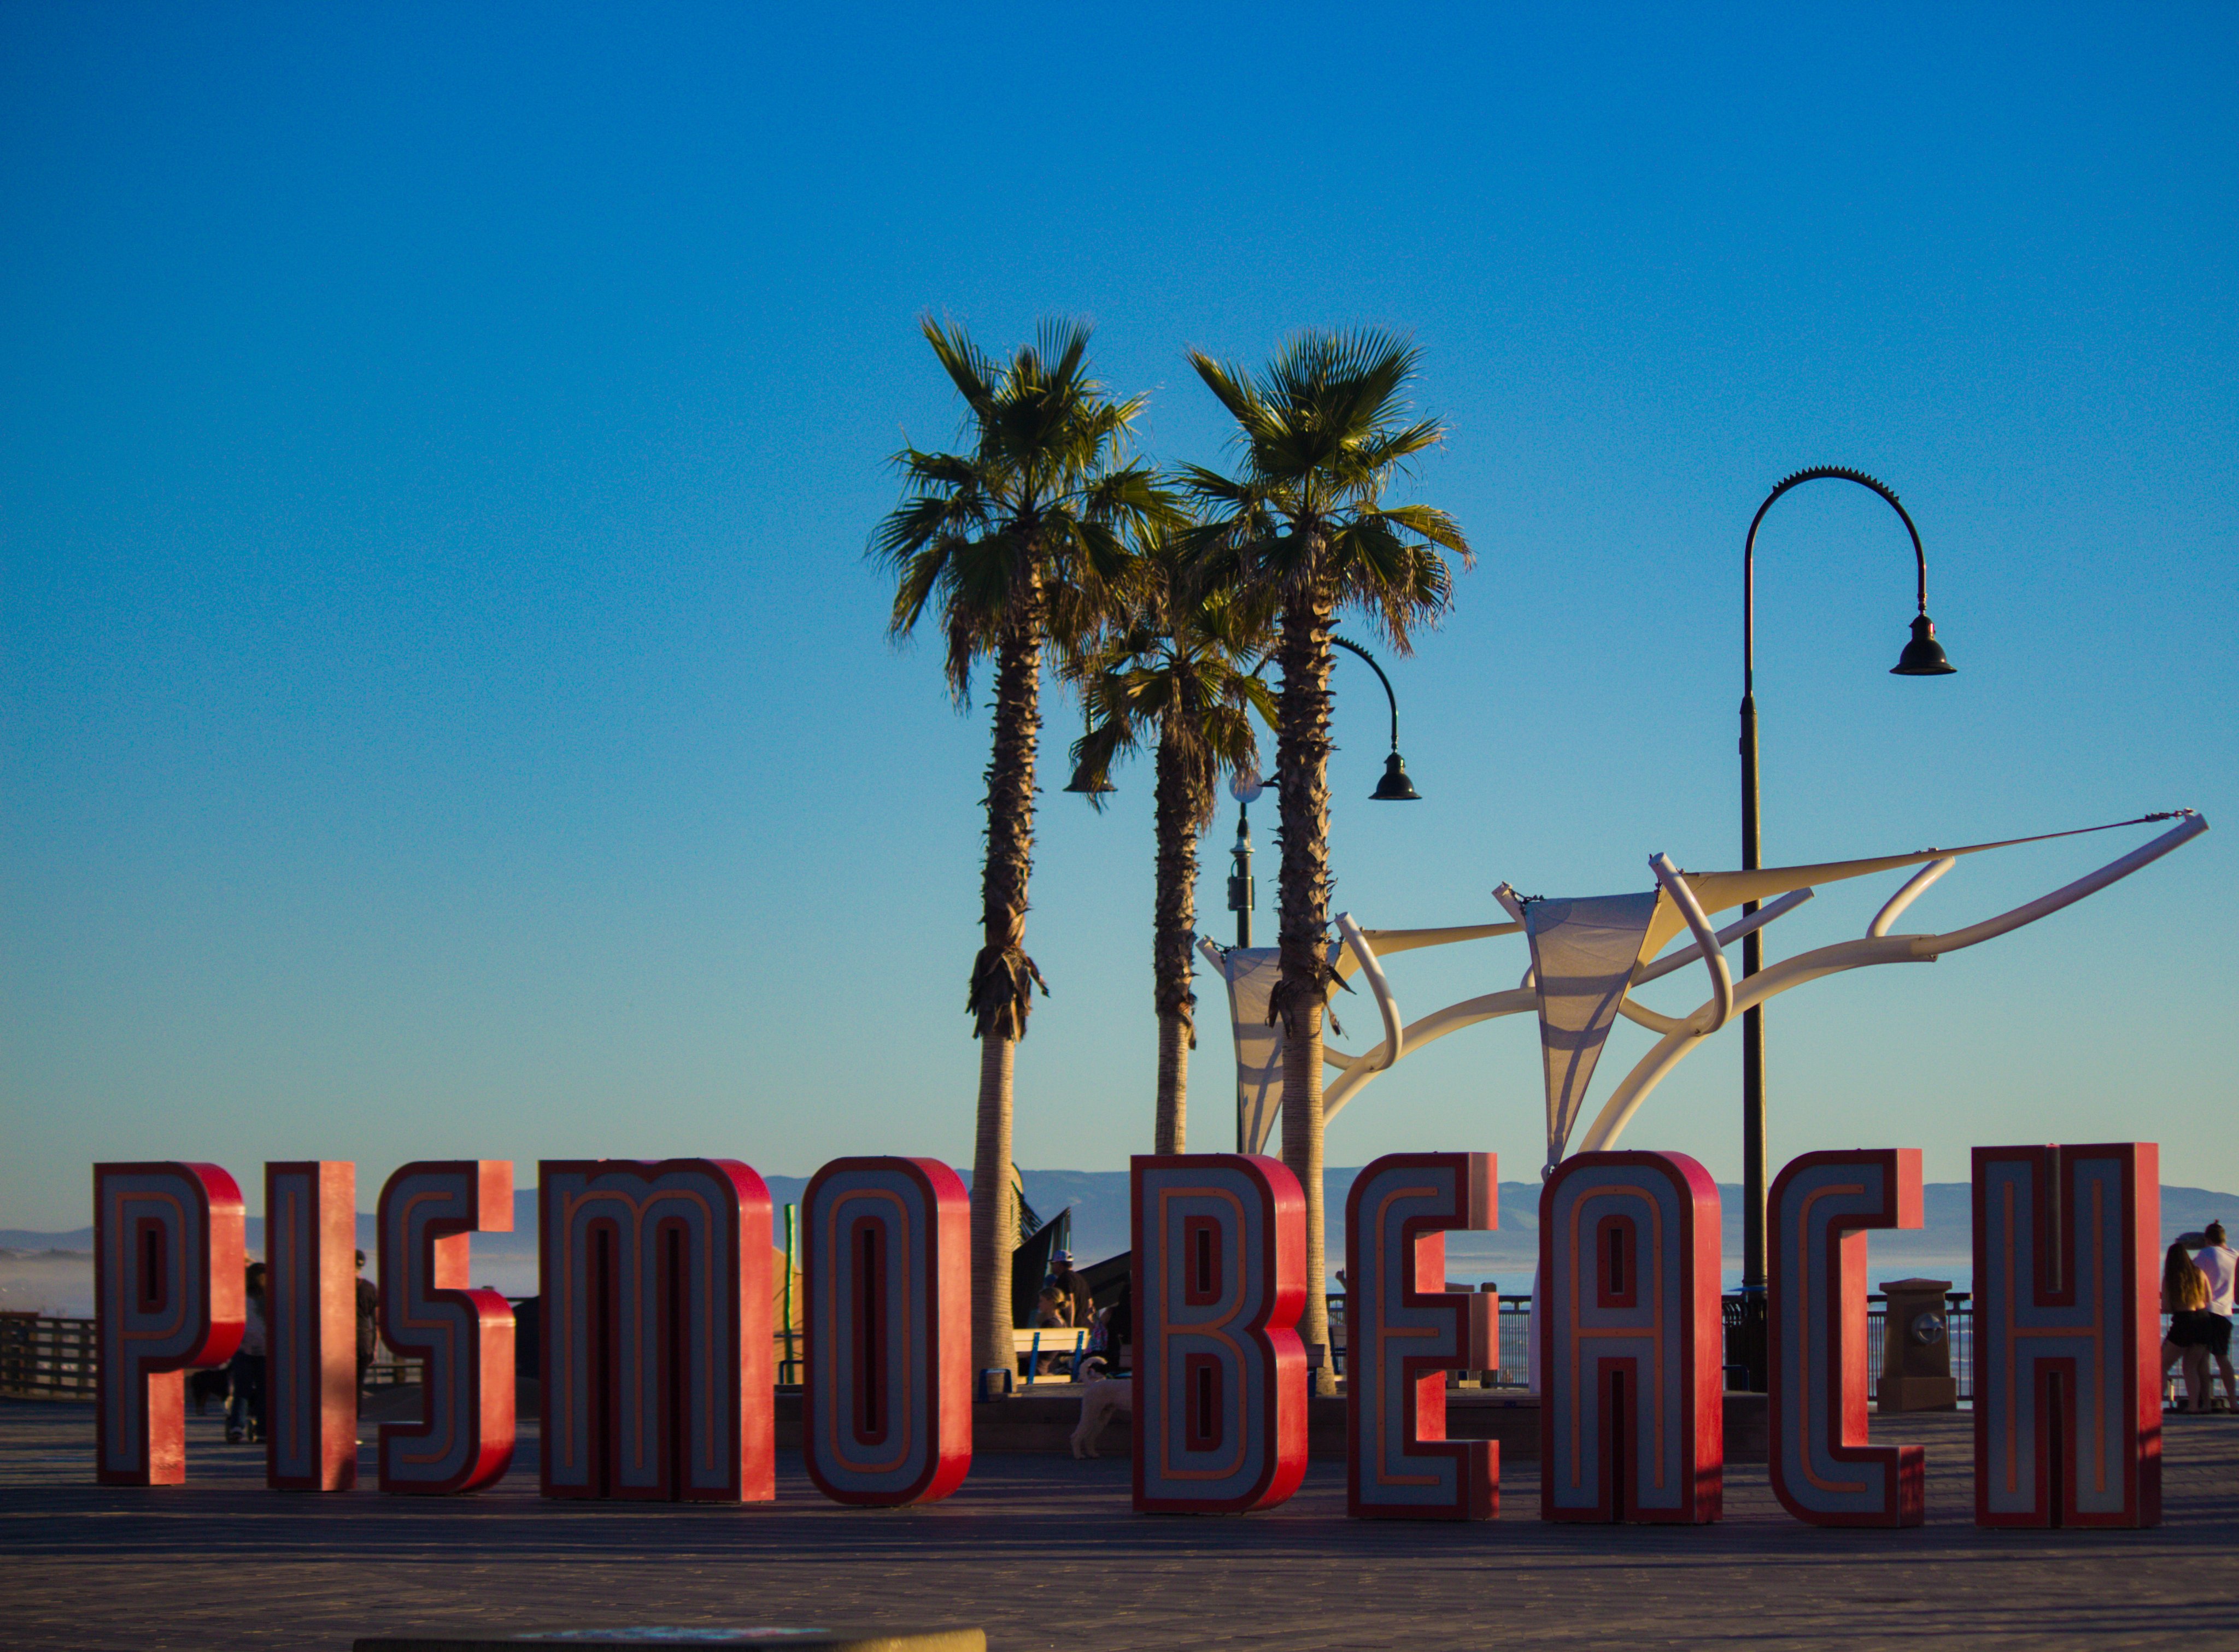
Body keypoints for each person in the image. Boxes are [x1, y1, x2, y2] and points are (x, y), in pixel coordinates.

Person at [2160, 1243, 2214, 1413]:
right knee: (2190, 1367)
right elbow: (2209, 1298)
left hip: (2184, 1322)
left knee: (2161, 1365)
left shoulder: (2170, 1278)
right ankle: (2194, 1406)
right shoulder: (2199, 1273)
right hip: (2203, 1320)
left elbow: (2167, 1307)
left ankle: (2154, 1403)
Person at [2193, 1222, 2238, 1410]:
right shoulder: (2235, 1255)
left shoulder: (2207, 1253)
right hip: (2226, 1313)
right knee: (2223, 1358)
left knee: (2202, 1358)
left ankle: (2207, 1402)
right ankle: (2234, 1402)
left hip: (2206, 1312)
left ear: (2208, 1240)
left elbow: (2192, 1274)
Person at [226, 1262, 269, 1443]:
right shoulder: (244, 1297)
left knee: (257, 1391)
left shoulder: (265, 1298)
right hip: (248, 1350)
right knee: (248, 1391)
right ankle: (241, 1426)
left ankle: (255, 1428)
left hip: (255, 1350)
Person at [355, 1250, 380, 1394]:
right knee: (358, 1387)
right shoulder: (370, 1288)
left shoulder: (338, 1286)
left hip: (341, 1341)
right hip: (364, 1341)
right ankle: (355, 1416)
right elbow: (376, 1321)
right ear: (363, 1266)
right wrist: (374, 1348)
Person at [1047, 1251, 1091, 1328]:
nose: (1052, 1266)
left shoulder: (1064, 1278)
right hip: (1081, 1327)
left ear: (1059, 1264)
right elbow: (1090, 1304)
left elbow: (1069, 1302)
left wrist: (1070, 1325)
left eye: (1053, 1263)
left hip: (1067, 1326)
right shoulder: (1081, 1279)